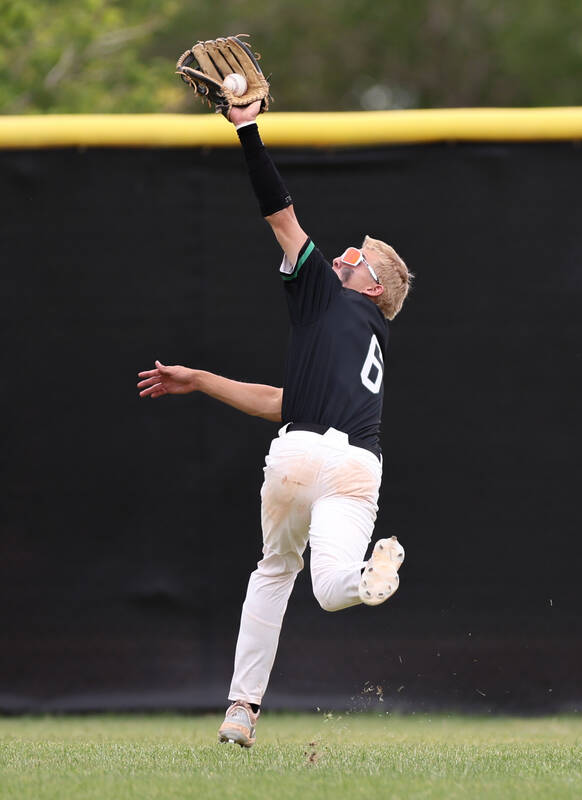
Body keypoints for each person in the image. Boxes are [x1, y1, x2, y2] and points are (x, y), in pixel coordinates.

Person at [137, 98, 413, 748]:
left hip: (304, 455)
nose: (342, 257)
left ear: (370, 288)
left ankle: (241, 710)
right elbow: (281, 400)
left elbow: (278, 211)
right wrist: (201, 379)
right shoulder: (365, 336)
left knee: (275, 571)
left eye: (356, 258)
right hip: (360, 465)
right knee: (330, 588)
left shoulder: (328, 295)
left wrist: (246, 128)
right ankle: (365, 579)